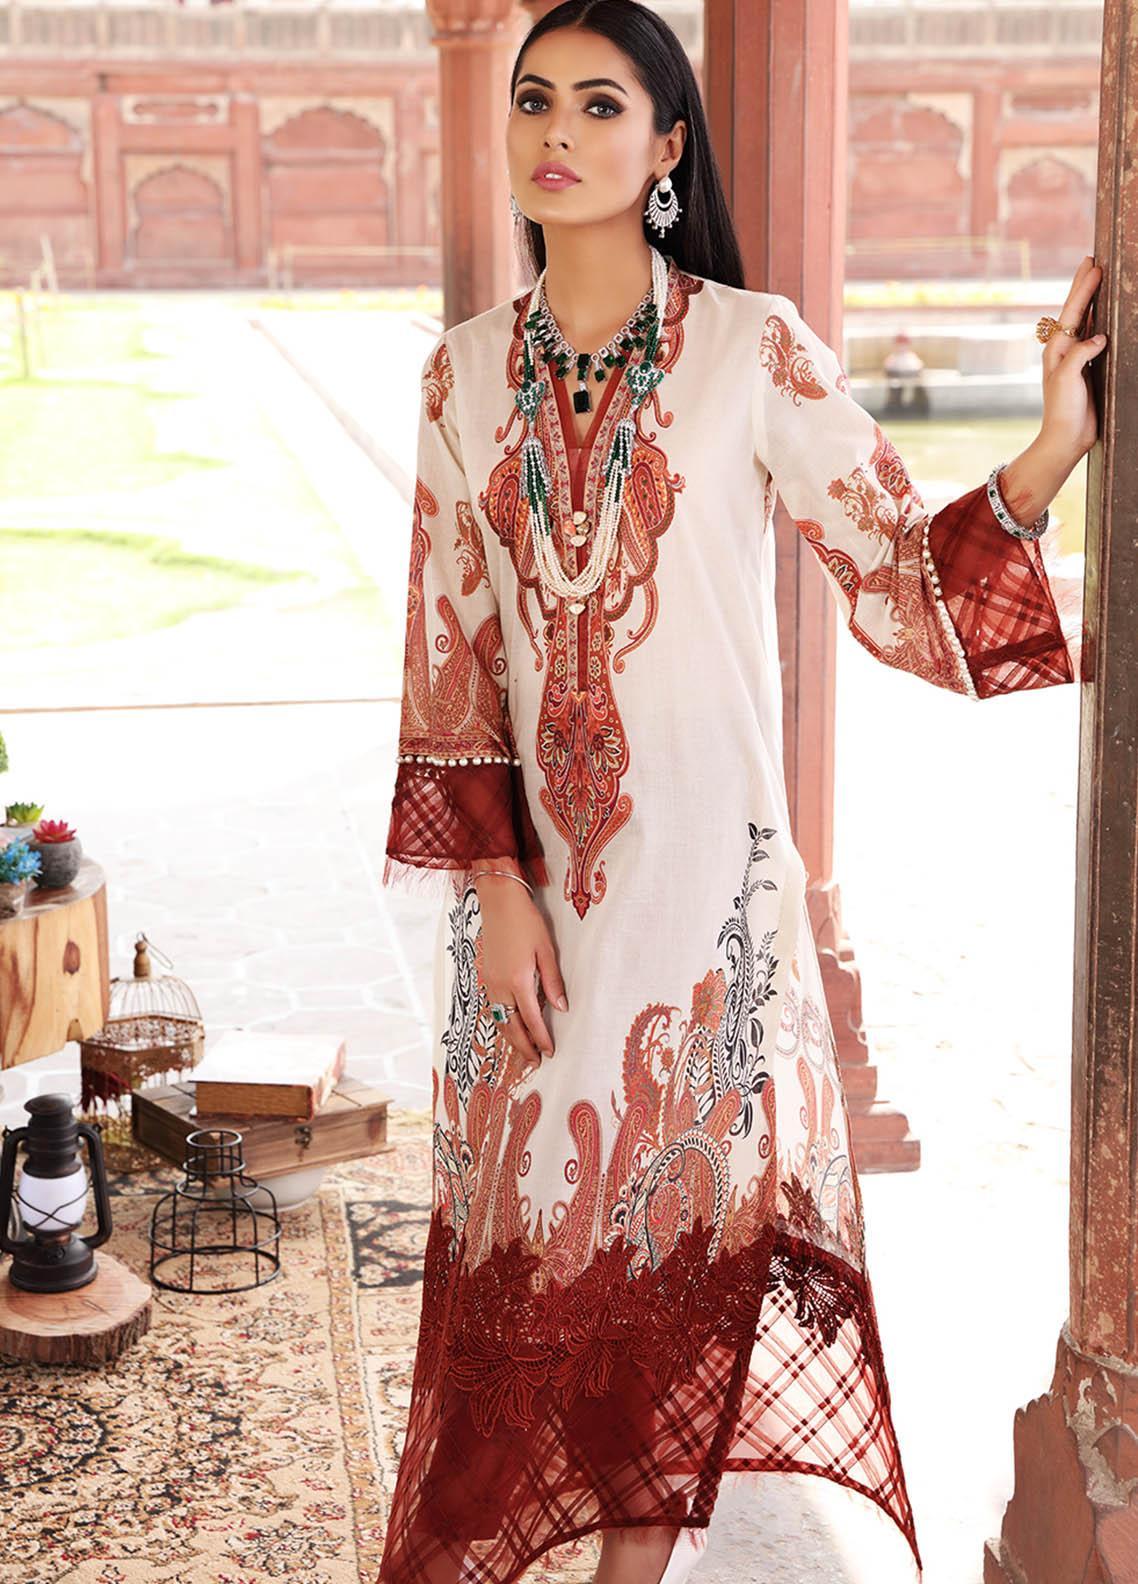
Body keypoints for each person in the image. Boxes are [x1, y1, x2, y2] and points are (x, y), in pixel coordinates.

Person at [378, 4, 1104, 1581]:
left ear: (666, 146)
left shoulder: (748, 347)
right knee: (517, 1252)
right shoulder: (458, 378)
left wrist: (1050, 449)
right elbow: (452, 656)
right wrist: (496, 891)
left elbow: (897, 581)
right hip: (531, 900)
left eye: (599, 104)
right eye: (532, 100)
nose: (554, 130)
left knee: (669, 1252)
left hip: (704, 898)